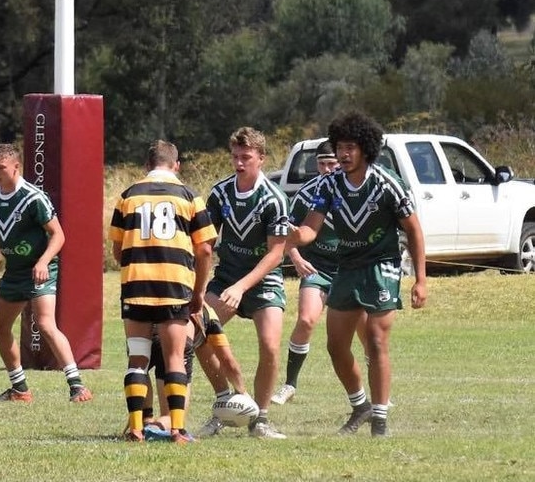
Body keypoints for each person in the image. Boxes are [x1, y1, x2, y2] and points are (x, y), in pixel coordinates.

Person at [288, 110, 427, 437]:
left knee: (377, 340)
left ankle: (380, 419)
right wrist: (292, 236)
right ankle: (360, 405)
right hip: (346, 267)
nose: (344, 154)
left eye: (351, 147)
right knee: (336, 346)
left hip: (382, 266)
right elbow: (310, 229)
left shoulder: (386, 183)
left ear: (366, 148)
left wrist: (421, 279)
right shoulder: (328, 185)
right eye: (340, 147)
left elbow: (415, 231)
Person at [109, 139, 217, 444]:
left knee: (138, 359)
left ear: (147, 166)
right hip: (174, 285)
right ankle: (178, 430)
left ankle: (135, 428)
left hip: (136, 286)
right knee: (174, 359)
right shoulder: (189, 196)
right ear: (176, 165)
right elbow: (206, 249)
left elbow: (117, 249)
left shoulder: (128, 196)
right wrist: (198, 291)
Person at [0, 143, 93, 404]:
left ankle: (77, 385)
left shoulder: (33, 197)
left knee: (45, 324)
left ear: (16, 167)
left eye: (2, 168)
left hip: (39, 270)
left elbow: (58, 234)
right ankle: (20, 389)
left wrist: (43, 261)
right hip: (14, 272)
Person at [198, 126, 289, 439]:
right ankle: (228, 401)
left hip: (264, 280)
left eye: (246, 157)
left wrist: (242, 287)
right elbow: (206, 241)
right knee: (196, 333)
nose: (239, 162)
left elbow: (276, 253)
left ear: (261, 159)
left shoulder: (274, 199)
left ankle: (260, 420)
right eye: (235, 157)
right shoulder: (221, 193)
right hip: (226, 277)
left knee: (270, 346)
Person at [271, 141, 367, 405]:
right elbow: (287, 232)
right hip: (318, 268)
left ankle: (376, 390)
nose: (327, 169)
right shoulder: (307, 194)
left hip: (350, 270)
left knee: (366, 331)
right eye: (323, 164)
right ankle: (290, 385)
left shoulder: (357, 190)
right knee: (306, 321)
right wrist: (297, 258)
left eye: (332, 164)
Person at [131, 303, 249, 441]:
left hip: (141, 327)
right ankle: (153, 429)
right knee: (172, 417)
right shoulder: (207, 313)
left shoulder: (162, 297)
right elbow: (228, 362)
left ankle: (143, 421)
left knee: (139, 369)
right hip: (176, 344)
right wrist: (243, 392)